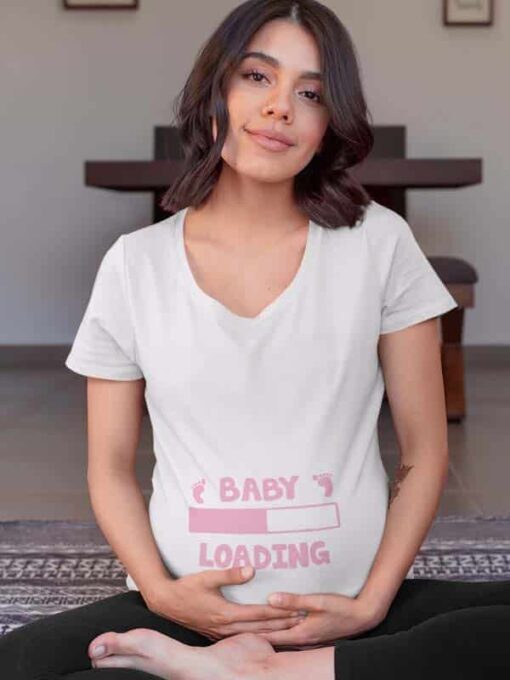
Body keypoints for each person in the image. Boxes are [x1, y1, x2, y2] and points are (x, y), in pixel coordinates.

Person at [2, 0, 509, 678]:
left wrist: (371, 603)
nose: (280, 108)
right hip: (185, 615)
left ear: (330, 124)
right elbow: (110, 467)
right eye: (257, 76)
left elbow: (424, 451)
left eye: (311, 93)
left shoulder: (380, 244)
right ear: (215, 90)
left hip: (350, 613)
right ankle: (234, 663)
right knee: (22, 663)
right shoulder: (134, 264)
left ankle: (264, 672)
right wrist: (161, 592)